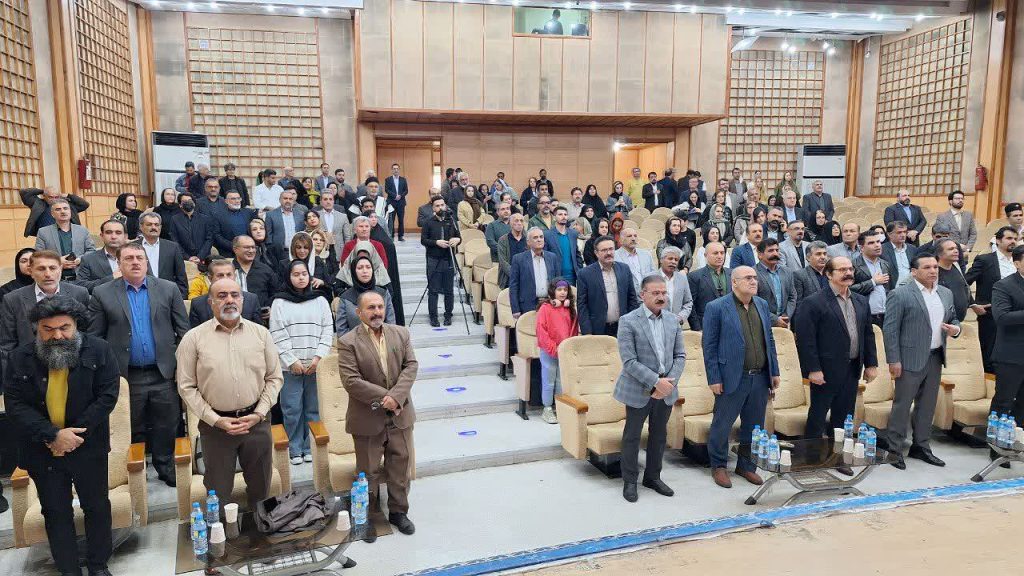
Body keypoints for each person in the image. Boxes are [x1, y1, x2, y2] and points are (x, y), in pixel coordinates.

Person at [5, 296, 119, 576]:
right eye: (48, 329)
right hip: (42, 450)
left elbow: (107, 396)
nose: (57, 335)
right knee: (55, 512)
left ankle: (98, 566)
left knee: (97, 507)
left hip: (87, 446)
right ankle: (69, 570)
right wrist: (53, 435)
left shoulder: (99, 350)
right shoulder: (20, 358)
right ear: (37, 328)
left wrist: (73, 436)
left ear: (76, 325)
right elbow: (15, 405)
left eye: (64, 328)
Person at [88, 242, 189, 487]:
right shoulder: (102, 293)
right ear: (119, 263)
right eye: (129, 258)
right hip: (125, 375)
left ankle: (165, 466)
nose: (135, 262)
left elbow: (184, 331)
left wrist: (179, 365)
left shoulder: (168, 288)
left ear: (146, 262)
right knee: (132, 425)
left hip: (163, 372)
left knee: (167, 423)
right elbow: (95, 337)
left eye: (139, 258)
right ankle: (135, 469)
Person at [177, 278, 284, 509]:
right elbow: (186, 387)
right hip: (216, 429)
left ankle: (259, 529)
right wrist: (216, 420)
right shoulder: (193, 339)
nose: (229, 300)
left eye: (235, 295)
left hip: (256, 424)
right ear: (211, 302)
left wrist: (259, 413)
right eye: (222, 295)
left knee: (261, 491)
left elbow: (274, 378)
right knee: (217, 494)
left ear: (242, 300)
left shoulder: (261, 334)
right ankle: (222, 531)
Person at [336, 290, 418, 540]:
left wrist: (396, 397)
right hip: (367, 418)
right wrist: (387, 398)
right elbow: (351, 381)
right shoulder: (348, 341)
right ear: (359, 312)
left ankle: (398, 512)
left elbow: (411, 366)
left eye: (380, 307)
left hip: (400, 415)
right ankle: (368, 517)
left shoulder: (401, 333)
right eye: (370, 308)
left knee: (400, 466)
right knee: (367, 472)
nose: (377, 312)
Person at [879, 254, 961, 470]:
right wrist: (894, 360)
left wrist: (956, 329)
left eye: (935, 267)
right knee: (902, 405)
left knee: (927, 406)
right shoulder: (900, 294)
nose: (933, 271)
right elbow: (890, 330)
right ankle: (894, 449)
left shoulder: (945, 293)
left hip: (935, 356)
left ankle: (921, 446)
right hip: (908, 359)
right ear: (914, 272)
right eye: (927, 267)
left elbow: (952, 317)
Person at [703, 265, 780, 488]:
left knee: (754, 426)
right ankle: (718, 466)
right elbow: (709, 345)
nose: (754, 281)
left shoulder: (762, 304)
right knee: (722, 424)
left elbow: (769, 340)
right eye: (748, 278)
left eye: (755, 277)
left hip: (760, 377)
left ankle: (746, 466)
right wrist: (714, 378)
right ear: (734, 282)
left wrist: (774, 371)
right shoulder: (716, 307)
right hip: (731, 377)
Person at [614, 274, 685, 503]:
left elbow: (680, 356)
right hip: (638, 388)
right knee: (632, 437)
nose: (661, 297)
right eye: (655, 293)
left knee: (659, 436)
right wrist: (656, 382)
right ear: (642, 295)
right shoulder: (628, 321)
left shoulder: (673, 320)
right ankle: (630, 480)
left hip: (667, 389)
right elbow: (629, 361)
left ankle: (653, 477)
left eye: (664, 293)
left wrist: (668, 383)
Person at [795, 256, 878, 444]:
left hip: (852, 368)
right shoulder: (813, 302)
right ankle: (812, 454)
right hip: (825, 371)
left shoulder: (861, 301)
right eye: (842, 270)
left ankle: (838, 454)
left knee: (844, 418)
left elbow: (868, 335)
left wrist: (871, 364)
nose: (848, 273)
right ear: (829, 274)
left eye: (850, 269)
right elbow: (806, 341)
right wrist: (813, 369)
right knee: (818, 417)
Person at [268, 259, 332, 465]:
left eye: (304, 273)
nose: (301, 278)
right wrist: (291, 360)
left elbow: (327, 330)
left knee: (313, 409)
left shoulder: (320, 300)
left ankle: (309, 446)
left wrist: (318, 357)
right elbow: (277, 333)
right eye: (296, 274)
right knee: (292, 409)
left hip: (315, 365)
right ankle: (295, 448)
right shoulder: (279, 302)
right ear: (288, 277)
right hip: (290, 368)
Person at [0, 250, 91, 376]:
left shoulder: (80, 293)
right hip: (29, 371)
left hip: (73, 369)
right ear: (31, 271)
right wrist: (9, 378)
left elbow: (86, 333)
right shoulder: (13, 299)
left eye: (52, 268)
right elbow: (7, 344)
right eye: (41, 269)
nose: (48, 274)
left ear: (60, 269)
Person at [965, 226, 1019, 372]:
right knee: (990, 357)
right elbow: (963, 283)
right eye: (1009, 238)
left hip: (1017, 315)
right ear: (998, 240)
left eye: (1015, 239)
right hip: (991, 314)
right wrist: (973, 304)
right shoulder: (985, 260)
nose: (1013, 241)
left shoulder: (1019, 261)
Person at [990, 245, 1024, 463]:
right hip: (1011, 355)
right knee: (1004, 402)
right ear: (1017, 263)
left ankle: (1017, 444)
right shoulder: (1004, 286)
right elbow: (1001, 317)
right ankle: (997, 447)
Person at [535, 279, 579, 424]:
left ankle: (560, 407)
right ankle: (547, 408)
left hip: (564, 352)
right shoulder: (545, 308)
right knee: (548, 381)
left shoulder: (569, 309)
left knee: (561, 381)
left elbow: (573, 331)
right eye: (559, 289)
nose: (562, 292)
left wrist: (567, 348)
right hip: (549, 352)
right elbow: (541, 332)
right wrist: (554, 349)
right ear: (553, 291)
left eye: (565, 290)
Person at [577, 236, 639, 336]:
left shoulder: (624, 269)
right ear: (596, 253)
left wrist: (633, 325)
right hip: (598, 329)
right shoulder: (585, 274)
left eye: (611, 249)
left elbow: (632, 299)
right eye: (604, 250)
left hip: (623, 327)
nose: (609, 253)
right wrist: (587, 332)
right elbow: (582, 305)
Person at [420, 196, 462, 327]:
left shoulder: (451, 220)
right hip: (433, 259)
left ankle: (448, 315)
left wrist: (457, 240)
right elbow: (423, 240)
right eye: (437, 206)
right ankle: (433, 317)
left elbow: (459, 237)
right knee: (433, 290)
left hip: (448, 258)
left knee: (449, 290)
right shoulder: (428, 222)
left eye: (442, 205)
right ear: (433, 208)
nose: (440, 208)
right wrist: (436, 242)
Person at [34, 198, 96, 280]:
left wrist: (80, 259)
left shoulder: (82, 230)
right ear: (52, 214)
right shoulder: (43, 232)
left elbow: (91, 250)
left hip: (81, 276)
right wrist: (57, 261)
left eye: (65, 208)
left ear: (70, 211)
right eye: (58, 209)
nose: (63, 211)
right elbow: (38, 255)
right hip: (55, 277)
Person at [189, 259, 262, 327]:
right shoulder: (198, 304)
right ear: (210, 278)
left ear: (235, 276)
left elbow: (257, 331)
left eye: (229, 275)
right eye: (220, 275)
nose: (225, 278)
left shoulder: (251, 300)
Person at [337, 255, 396, 337]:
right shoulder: (346, 298)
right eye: (360, 268)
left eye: (368, 267)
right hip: (355, 343)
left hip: (382, 342)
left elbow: (391, 324)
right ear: (354, 272)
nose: (365, 271)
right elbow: (341, 330)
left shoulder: (383, 293)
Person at [509, 227, 561, 318]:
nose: (539, 240)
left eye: (541, 237)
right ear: (528, 242)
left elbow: (558, 282)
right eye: (535, 237)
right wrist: (515, 309)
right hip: (527, 306)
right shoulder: (518, 259)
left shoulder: (552, 257)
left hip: (550, 304)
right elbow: (514, 286)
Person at [138, 212, 189, 298]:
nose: (153, 227)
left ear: (160, 227)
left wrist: (180, 298)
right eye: (149, 224)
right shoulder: (132, 247)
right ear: (141, 227)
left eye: (156, 225)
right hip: (139, 295)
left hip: (166, 297)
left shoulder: (172, 247)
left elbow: (181, 277)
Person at [852, 231, 895, 327]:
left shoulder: (885, 264)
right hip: (865, 316)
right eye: (871, 243)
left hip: (886, 315)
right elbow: (848, 289)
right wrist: (873, 282)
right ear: (861, 248)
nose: (877, 245)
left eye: (878, 242)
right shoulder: (853, 265)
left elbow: (891, 289)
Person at [688, 241, 731, 331]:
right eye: (715, 253)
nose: (719, 256)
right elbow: (690, 305)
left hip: (730, 325)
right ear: (705, 255)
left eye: (722, 253)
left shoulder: (732, 273)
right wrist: (697, 328)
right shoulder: (694, 276)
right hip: (706, 326)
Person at [75, 220, 127, 293]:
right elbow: (81, 286)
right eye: (108, 232)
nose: (113, 237)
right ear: (102, 236)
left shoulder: (137, 257)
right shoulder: (89, 259)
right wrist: (111, 278)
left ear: (125, 236)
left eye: (118, 233)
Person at [754, 238, 796, 327]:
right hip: (762, 323)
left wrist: (785, 317)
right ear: (760, 255)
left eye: (777, 250)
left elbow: (792, 297)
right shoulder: (753, 273)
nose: (775, 254)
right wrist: (775, 319)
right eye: (770, 251)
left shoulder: (787, 272)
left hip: (784, 322)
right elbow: (754, 302)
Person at [21, 187, 90, 238]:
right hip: (45, 235)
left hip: (66, 234)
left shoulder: (66, 205)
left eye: (56, 197)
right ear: (44, 196)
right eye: (50, 197)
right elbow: (24, 192)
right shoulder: (38, 204)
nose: (54, 200)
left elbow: (84, 204)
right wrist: (43, 191)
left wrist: (68, 195)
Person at [285, 231, 333, 301]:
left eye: (306, 247)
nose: (302, 251)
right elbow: (282, 287)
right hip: (292, 300)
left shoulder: (318, 262)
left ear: (310, 248)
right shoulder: (285, 264)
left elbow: (329, 285)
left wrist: (322, 282)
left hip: (316, 299)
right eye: (298, 247)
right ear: (293, 248)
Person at [169, 192, 214, 262]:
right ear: (180, 205)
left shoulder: (205, 219)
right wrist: (187, 257)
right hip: (183, 260)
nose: (187, 203)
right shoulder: (175, 219)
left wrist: (200, 257)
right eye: (184, 201)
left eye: (190, 200)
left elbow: (209, 239)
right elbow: (174, 240)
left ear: (194, 203)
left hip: (203, 259)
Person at [212, 189, 260, 255]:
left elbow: (255, 230)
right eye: (233, 199)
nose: (237, 201)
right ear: (226, 201)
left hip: (250, 251)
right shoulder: (218, 215)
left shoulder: (249, 212)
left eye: (238, 198)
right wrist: (235, 247)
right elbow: (217, 236)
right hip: (229, 253)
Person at [933, 190, 977, 261]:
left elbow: (973, 234)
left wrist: (968, 249)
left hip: (964, 254)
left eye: (962, 198)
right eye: (957, 198)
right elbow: (940, 236)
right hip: (947, 253)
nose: (960, 200)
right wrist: (958, 245)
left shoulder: (968, 215)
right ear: (950, 201)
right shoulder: (942, 216)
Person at [935, 239, 971, 322]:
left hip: (957, 323)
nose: (956, 251)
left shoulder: (956, 266)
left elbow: (964, 287)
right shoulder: (933, 272)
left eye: (956, 248)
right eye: (951, 249)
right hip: (943, 323)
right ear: (939, 254)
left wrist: (972, 304)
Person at [543, 206, 582, 284]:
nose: (563, 216)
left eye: (565, 214)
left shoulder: (573, 233)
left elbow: (577, 254)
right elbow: (545, 256)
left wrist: (579, 270)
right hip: (556, 277)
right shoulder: (547, 235)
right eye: (560, 214)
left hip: (572, 276)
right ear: (554, 217)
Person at [657, 246, 693, 326]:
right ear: (661, 260)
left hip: (676, 325)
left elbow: (688, 302)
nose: (673, 262)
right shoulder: (650, 277)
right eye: (670, 259)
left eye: (676, 260)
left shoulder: (682, 278)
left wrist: (680, 318)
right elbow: (643, 301)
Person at [615, 227, 655, 295]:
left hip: (647, 295)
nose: (633, 239)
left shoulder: (646, 254)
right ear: (621, 240)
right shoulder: (614, 256)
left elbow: (653, 275)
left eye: (635, 236)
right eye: (629, 236)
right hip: (627, 296)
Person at [881, 221, 918, 287]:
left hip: (910, 287)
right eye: (899, 232)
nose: (903, 235)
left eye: (905, 232)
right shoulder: (882, 250)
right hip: (892, 288)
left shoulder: (912, 249)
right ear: (889, 234)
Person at [793, 241, 830, 305]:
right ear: (808, 257)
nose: (823, 257)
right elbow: (799, 303)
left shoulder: (832, 273)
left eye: (824, 254)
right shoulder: (799, 275)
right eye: (818, 254)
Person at [497, 212, 528, 289]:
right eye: (516, 221)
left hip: (527, 277)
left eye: (521, 221)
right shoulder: (503, 240)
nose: (519, 223)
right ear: (510, 223)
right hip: (508, 279)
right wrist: (515, 274)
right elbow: (503, 261)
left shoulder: (528, 239)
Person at [383, 163, 408, 241]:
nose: (396, 170)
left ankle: (400, 236)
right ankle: (391, 236)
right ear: (392, 170)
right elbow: (387, 190)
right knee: (391, 220)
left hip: (401, 202)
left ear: (399, 170)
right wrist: (395, 196)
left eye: (397, 168)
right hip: (391, 202)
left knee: (401, 220)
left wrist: (400, 196)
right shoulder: (388, 179)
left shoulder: (403, 180)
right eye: (394, 169)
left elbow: (406, 190)